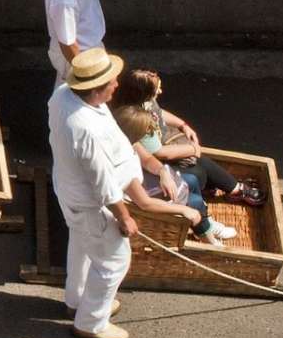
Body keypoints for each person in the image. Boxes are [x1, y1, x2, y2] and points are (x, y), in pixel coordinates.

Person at [48, 47, 202, 338]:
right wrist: (124, 216)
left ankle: (79, 300)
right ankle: (91, 322)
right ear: (94, 90)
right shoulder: (86, 130)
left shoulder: (64, 95)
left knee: (81, 246)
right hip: (92, 202)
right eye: (110, 83)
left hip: (71, 190)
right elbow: (103, 182)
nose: (116, 86)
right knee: (114, 261)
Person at [111, 67, 266, 244]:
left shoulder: (131, 141)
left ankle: (206, 217)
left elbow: (147, 159)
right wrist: (184, 210)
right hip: (145, 193)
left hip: (150, 180)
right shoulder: (124, 166)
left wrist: (163, 172)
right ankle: (208, 237)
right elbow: (145, 203)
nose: (160, 91)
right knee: (194, 198)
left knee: (191, 182)